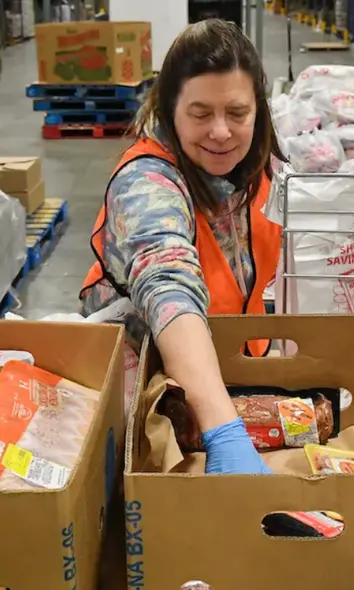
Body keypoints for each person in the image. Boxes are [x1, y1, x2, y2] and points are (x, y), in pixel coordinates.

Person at [79, 19, 285, 476]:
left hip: (228, 360)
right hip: (148, 373)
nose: (220, 132)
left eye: (237, 112)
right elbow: (166, 281)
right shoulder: (146, 182)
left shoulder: (258, 164)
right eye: (200, 113)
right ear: (171, 109)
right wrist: (223, 430)